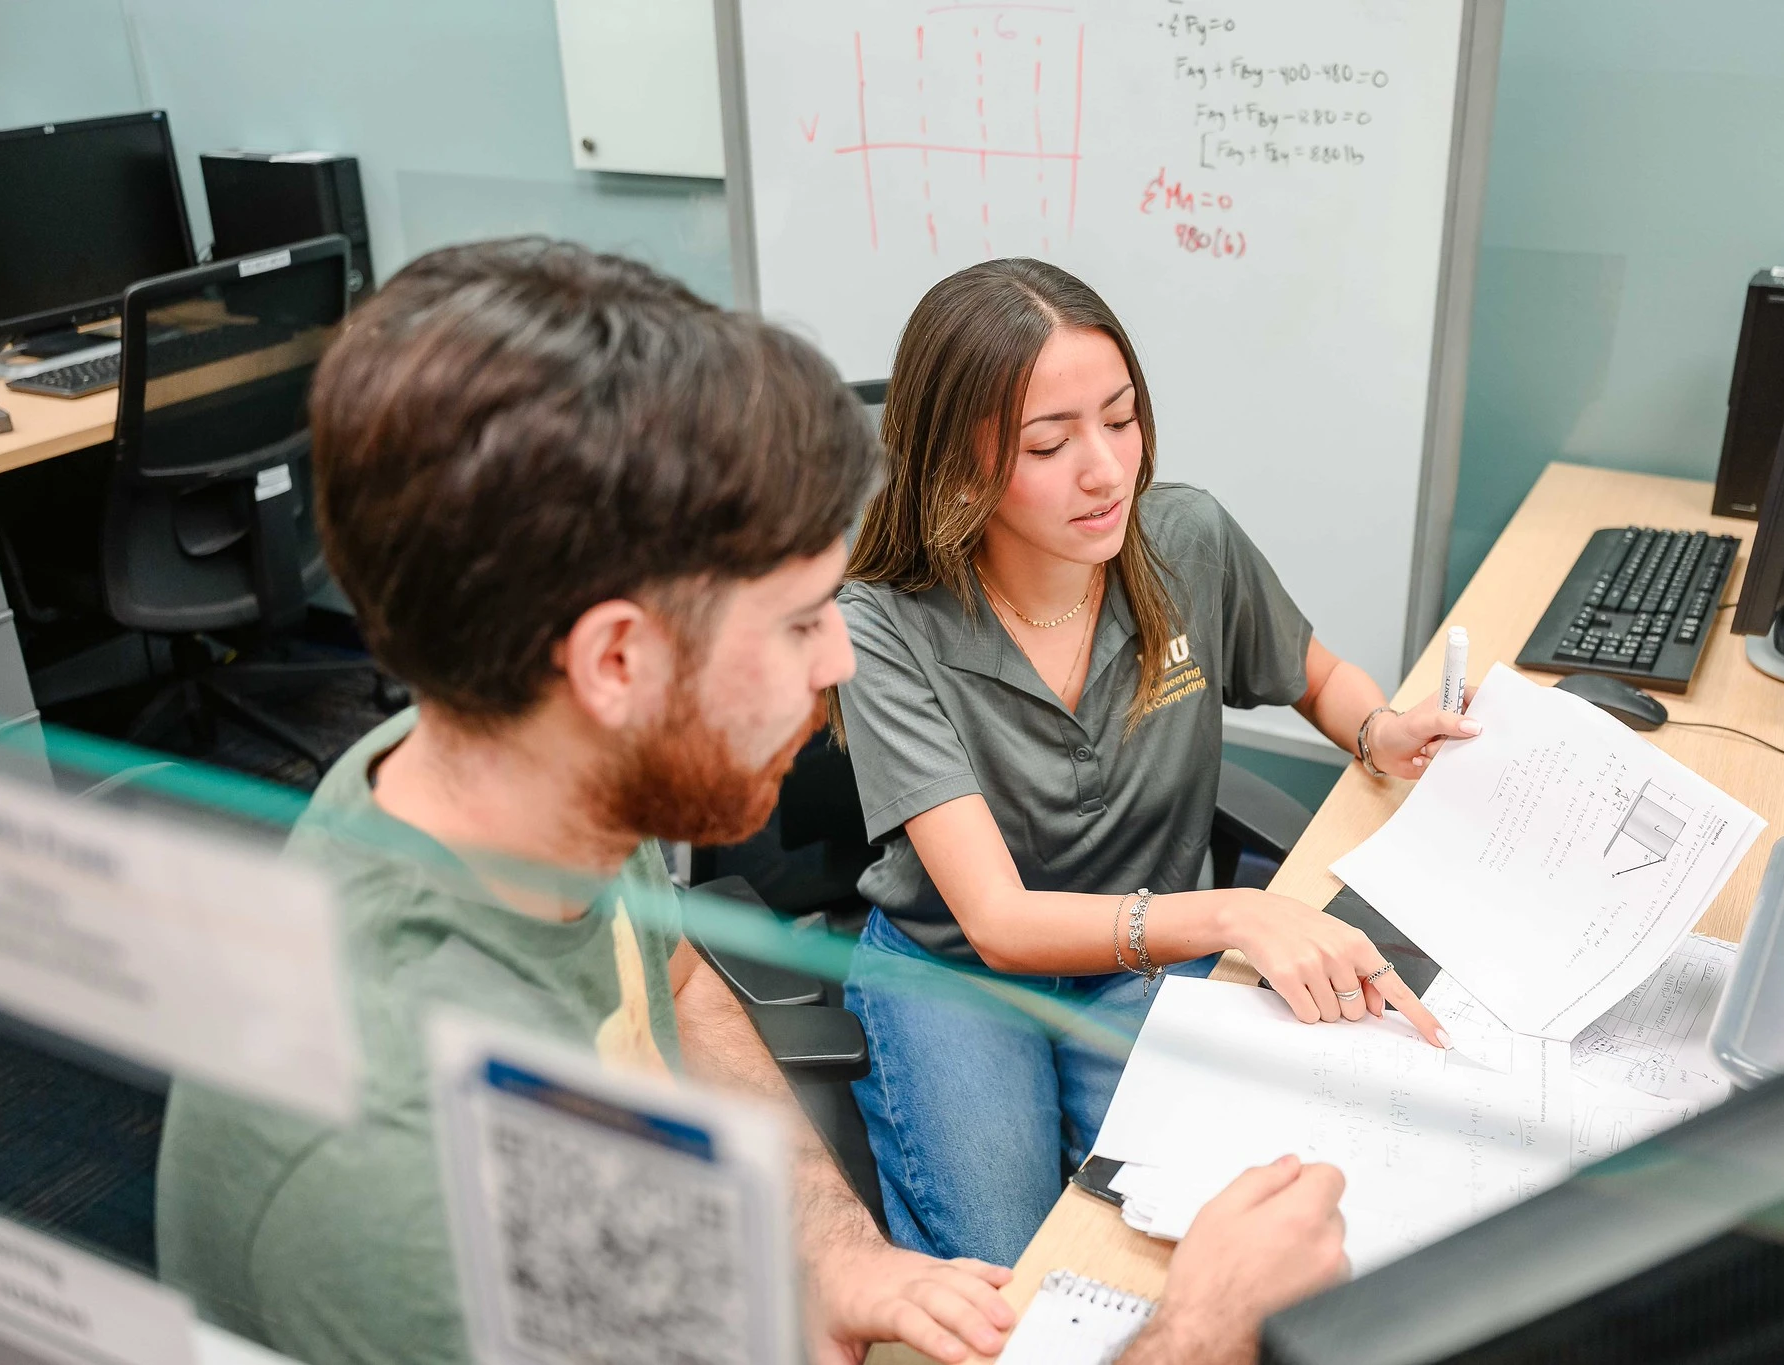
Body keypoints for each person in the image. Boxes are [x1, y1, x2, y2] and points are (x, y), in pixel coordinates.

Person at [152, 239, 1351, 1365]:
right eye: (794, 623)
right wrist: (1202, 1332)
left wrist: (833, 1253)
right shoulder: (424, 1186)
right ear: (617, 663)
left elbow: (670, 973)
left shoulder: (498, 769)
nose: (839, 664)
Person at [834, 257, 1482, 1264]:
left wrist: (1376, 731)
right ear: (957, 468)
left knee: (1196, 1239)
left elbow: (1309, 673)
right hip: (956, 974)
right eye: (1049, 443)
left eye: (1120, 419)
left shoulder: (1187, 539)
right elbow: (999, 925)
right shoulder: (880, 625)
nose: (1105, 469)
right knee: (1009, 1278)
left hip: (1135, 968)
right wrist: (1234, 913)